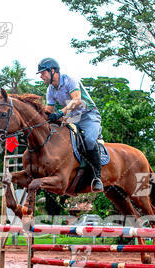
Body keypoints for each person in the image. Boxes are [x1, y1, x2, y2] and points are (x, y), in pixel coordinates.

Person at [37, 57, 104, 192]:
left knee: (90, 140)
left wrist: (60, 113)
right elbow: (49, 110)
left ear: (52, 71)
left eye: (43, 72)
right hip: (71, 118)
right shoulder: (50, 89)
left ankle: (97, 177)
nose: (41, 76)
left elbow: (77, 100)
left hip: (88, 115)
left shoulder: (69, 80)